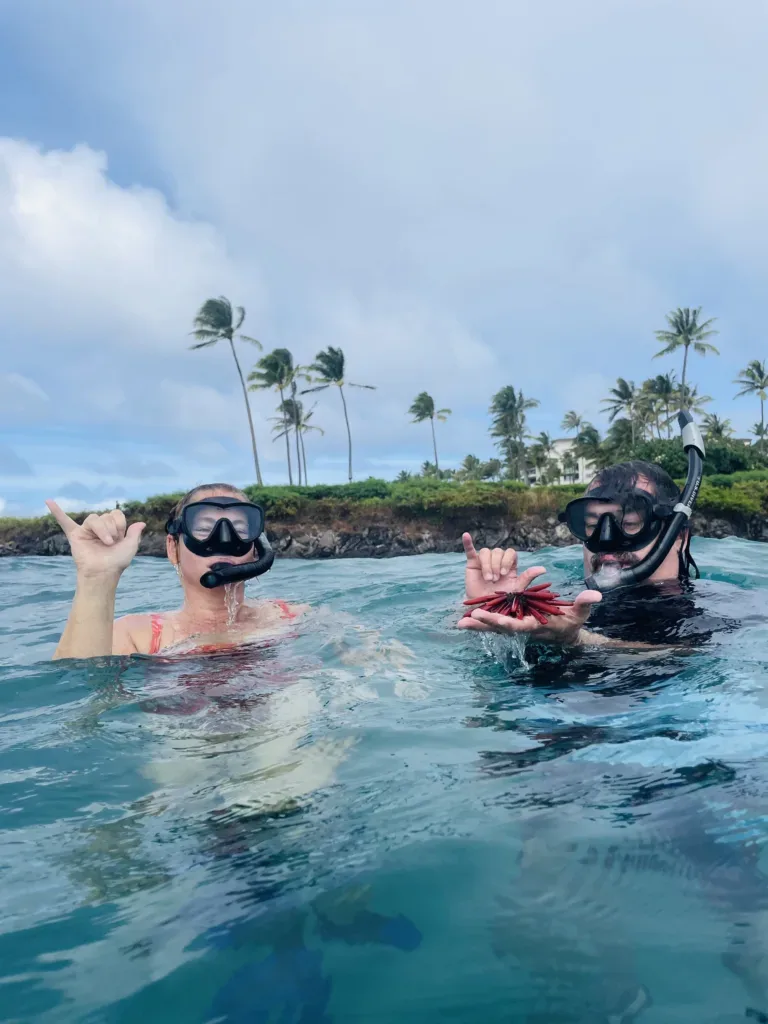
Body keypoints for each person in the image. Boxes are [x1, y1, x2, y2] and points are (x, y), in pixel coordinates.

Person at [458, 411, 708, 648]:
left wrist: (577, 640)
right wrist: (492, 606)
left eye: (629, 524)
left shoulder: (711, 607)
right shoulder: (566, 600)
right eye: (591, 525)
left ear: (679, 538)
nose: (606, 541)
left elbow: (689, 653)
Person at [47, 482, 305, 659]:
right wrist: (97, 579)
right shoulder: (138, 637)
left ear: (257, 546)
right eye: (204, 527)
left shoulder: (291, 619)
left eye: (239, 526)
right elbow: (79, 699)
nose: (224, 539)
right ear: (173, 548)